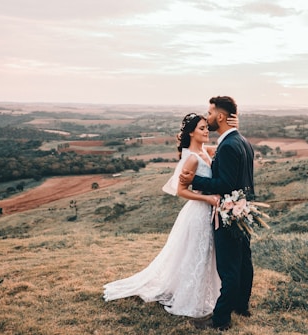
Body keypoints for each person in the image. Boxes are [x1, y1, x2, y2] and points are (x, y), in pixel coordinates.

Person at [103, 113, 226, 317]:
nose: (206, 131)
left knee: (207, 254)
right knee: (197, 255)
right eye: (202, 128)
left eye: (206, 128)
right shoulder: (192, 159)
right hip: (199, 212)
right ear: (191, 133)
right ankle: (189, 298)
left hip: (209, 211)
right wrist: (209, 199)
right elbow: (181, 191)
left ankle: (207, 294)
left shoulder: (206, 152)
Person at [180, 96, 255, 331]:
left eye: (210, 112)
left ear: (220, 117)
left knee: (229, 268)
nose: (208, 116)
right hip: (242, 210)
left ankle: (221, 318)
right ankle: (241, 306)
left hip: (229, 213)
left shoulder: (230, 145)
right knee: (244, 261)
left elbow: (225, 183)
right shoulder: (242, 141)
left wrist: (196, 180)